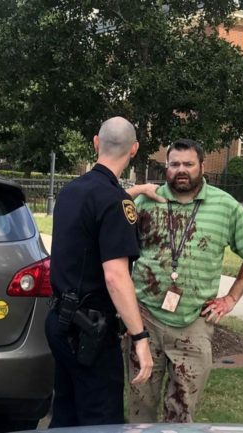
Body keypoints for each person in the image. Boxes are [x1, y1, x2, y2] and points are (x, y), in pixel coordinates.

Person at [126, 138, 243, 422]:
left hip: (195, 323)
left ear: (202, 166)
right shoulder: (145, 202)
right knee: (141, 407)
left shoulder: (225, 206)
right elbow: (103, 221)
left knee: (182, 410)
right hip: (144, 320)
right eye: (174, 164)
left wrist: (231, 298)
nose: (181, 170)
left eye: (188, 164)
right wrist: (136, 189)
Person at [45, 116, 153, 427]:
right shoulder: (116, 202)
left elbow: (99, 207)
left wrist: (137, 190)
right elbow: (116, 277)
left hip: (59, 322)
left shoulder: (70, 191)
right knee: (100, 420)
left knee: (66, 413)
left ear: (95, 143)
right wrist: (140, 338)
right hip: (90, 331)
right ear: (133, 149)